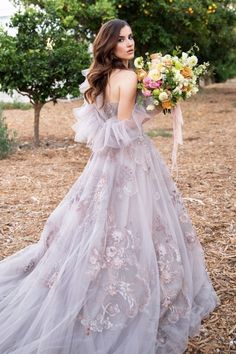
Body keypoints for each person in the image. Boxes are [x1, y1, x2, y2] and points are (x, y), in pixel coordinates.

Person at [0, 19, 219, 354]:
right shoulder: (129, 77)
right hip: (130, 161)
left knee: (103, 222)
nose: (129, 44)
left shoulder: (100, 79)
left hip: (104, 165)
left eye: (131, 38)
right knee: (133, 223)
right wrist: (159, 106)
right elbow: (124, 130)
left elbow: (102, 125)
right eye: (121, 39)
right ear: (109, 45)